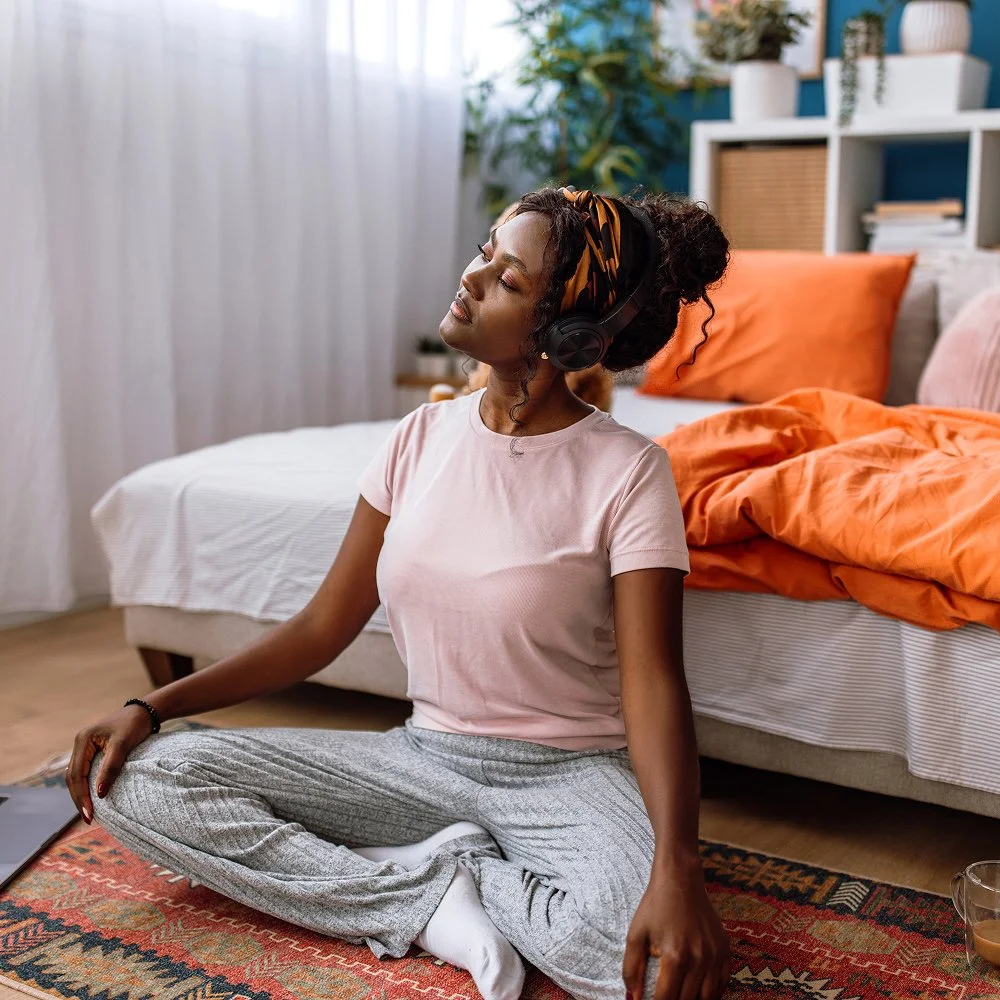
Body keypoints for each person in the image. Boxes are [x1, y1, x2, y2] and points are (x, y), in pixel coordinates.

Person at [66, 186, 731, 1000]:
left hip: (568, 775)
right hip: (419, 759)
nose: (474, 276)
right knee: (134, 781)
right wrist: (151, 707)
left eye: (509, 280)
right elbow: (322, 627)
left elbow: (654, 680)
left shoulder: (629, 472)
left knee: (655, 969)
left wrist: (678, 866)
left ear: (569, 334)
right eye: (487, 250)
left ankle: (460, 871)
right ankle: (428, 898)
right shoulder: (418, 437)